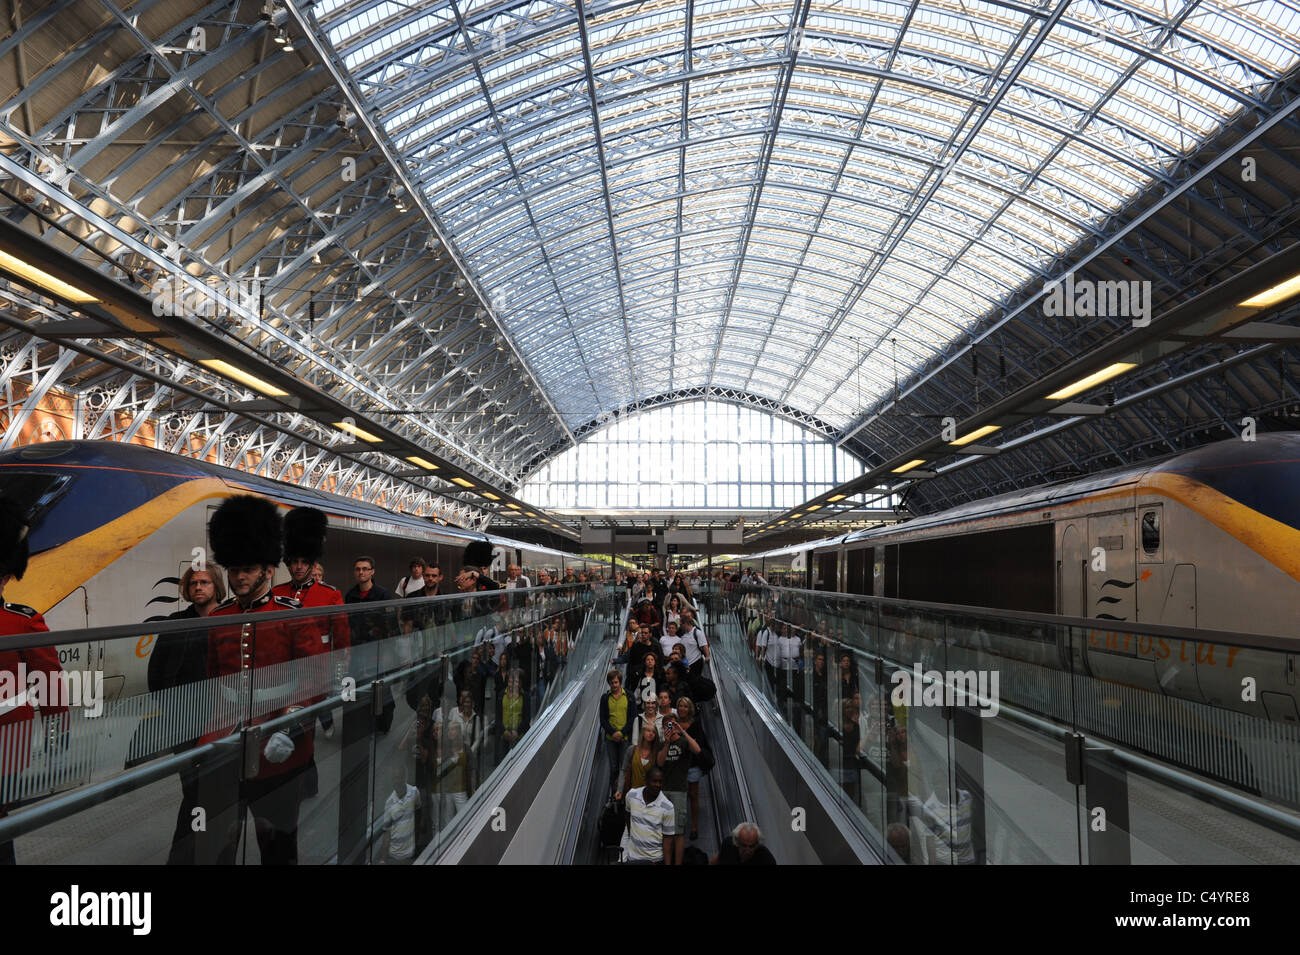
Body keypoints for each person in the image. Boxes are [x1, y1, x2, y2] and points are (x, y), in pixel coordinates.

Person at [198, 495, 324, 865]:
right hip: (226, 745)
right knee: (219, 841)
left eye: (248, 569)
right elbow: (213, 680)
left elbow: (313, 677)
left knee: (277, 843)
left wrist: (293, 725)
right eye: (234, 569)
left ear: (267, 570)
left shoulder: (292, 615)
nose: (239, 577)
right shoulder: (219, 616)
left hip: (278, 743)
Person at [0, 497, 67, 866]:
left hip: (5, 740)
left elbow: (49, 681)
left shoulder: (22, 621)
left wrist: (58, 735)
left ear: (7, 577)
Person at [148, 563, 225, 865]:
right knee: (193, 790)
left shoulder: (230, 618)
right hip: (183, 723)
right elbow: (156, 670)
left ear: (216, 586)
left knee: (211, 791)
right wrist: (168, 710)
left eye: (205, 582)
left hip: (221, 720)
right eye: (193, 583)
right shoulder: (176, 621)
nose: (198, 588)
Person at [273, 507, 349, 742]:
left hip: (319, 666)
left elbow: (342, 640)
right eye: (293, 562)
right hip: (285, 669)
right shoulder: (276, 593)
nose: (298, 567)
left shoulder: (330, 594)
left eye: (303, 562)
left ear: (311, 564)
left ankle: (322, 720)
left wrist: (338, 676)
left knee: (312, 707)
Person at [344, 555, 395, 732]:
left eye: (365, 569)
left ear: (372, 572)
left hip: (376, 650)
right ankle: (353, 724)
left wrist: (389, 652)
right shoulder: (350, 595)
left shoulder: (382, 595)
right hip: (357, 649)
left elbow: (390, 625)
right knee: (351, 685)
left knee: (379, 689)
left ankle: (381, 723)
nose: (361, 572)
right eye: (358, 569)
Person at [657, 698, 703, 865]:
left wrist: (682, 732)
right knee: (666, 832)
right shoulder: (663, 743)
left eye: (672, 724)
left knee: (678, 832)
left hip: (679, 790)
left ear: (676, 723)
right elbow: (660, 762)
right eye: (666, 725)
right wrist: (668, 742)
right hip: (664, 790)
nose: (670, 727)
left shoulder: (684, 741)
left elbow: (697, 750)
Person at [621, 766, 674, 865]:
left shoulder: (668, 807)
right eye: (654, 781)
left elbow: (668, 840)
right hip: (632, 859)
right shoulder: (631, 795)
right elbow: (627, 814)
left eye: (660, 782)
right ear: (646, 780)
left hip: (654, 861)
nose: (658, 785)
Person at [599, 670, 633, 796]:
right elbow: (603, 719)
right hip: (610, 738)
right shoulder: (605, 698)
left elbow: (632, 717)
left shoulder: (628, 696)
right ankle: (614, 794)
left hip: (624, 738)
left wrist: (622, 733)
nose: (614, 685)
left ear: (620, 682)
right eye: (612, 683)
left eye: (616, 682)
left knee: (624, 768)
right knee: (613, 768)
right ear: (609, 683)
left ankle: (624, 794)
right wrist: (613, 733)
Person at [380, 763, 420, 865]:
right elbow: (387, 833)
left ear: (404, 778)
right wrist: (383, 860)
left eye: (399, 777)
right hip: (394, 857)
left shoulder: (414, 792)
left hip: (411, 856)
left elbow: (419, 809)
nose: (396, 781)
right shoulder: (389, 803)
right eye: (394, 778)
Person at [615, 721, 660, 801]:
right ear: (643, 732)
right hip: (633, 792)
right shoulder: (632, 749)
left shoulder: (656, 753)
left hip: (649, 795)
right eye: (648, 730)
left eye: (653, 732)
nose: (651, 733)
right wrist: (620, 789)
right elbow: (623, 770)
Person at [712, 822, 776, 865]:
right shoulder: (728, 844)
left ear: (757, 845)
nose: (747, 851)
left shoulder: (766, 858)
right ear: (737, 842)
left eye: (751, 846)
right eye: (744, 846)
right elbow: (718, 859)